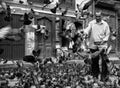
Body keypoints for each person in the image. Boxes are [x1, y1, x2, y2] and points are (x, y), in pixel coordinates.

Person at [83, 11, 110, 81]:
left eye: (99, 16)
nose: (98, 18)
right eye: (96, 16)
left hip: (102, 45)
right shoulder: (92, 23)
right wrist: (85, 32)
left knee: (103, 61)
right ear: (95, 16)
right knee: (94, 61)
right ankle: (95, 75)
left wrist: (103, 40)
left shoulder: (105, 24)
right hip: (93, 45)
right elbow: (87, 29)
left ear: (101, 16)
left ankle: (104, 76)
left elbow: (107, 34)